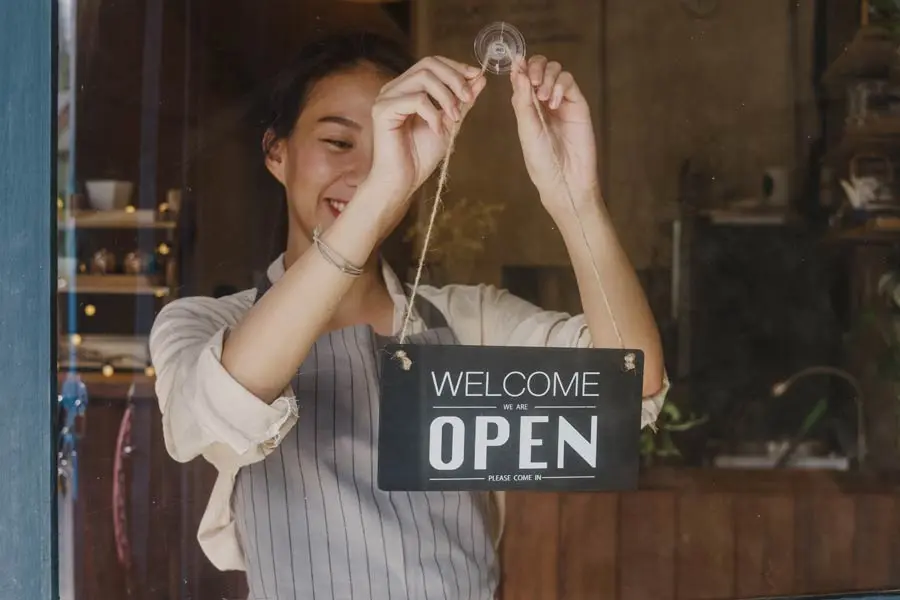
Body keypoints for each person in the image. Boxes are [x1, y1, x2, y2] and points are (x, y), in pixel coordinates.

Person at [150, 30, 669, 600]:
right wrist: (377, 197)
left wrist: (576, 199)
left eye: (388, 144)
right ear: (277, 152)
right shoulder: (201, 326)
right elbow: (222, 405)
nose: (368, 168)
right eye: (339, 143)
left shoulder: (467, 321)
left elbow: (627, 388)